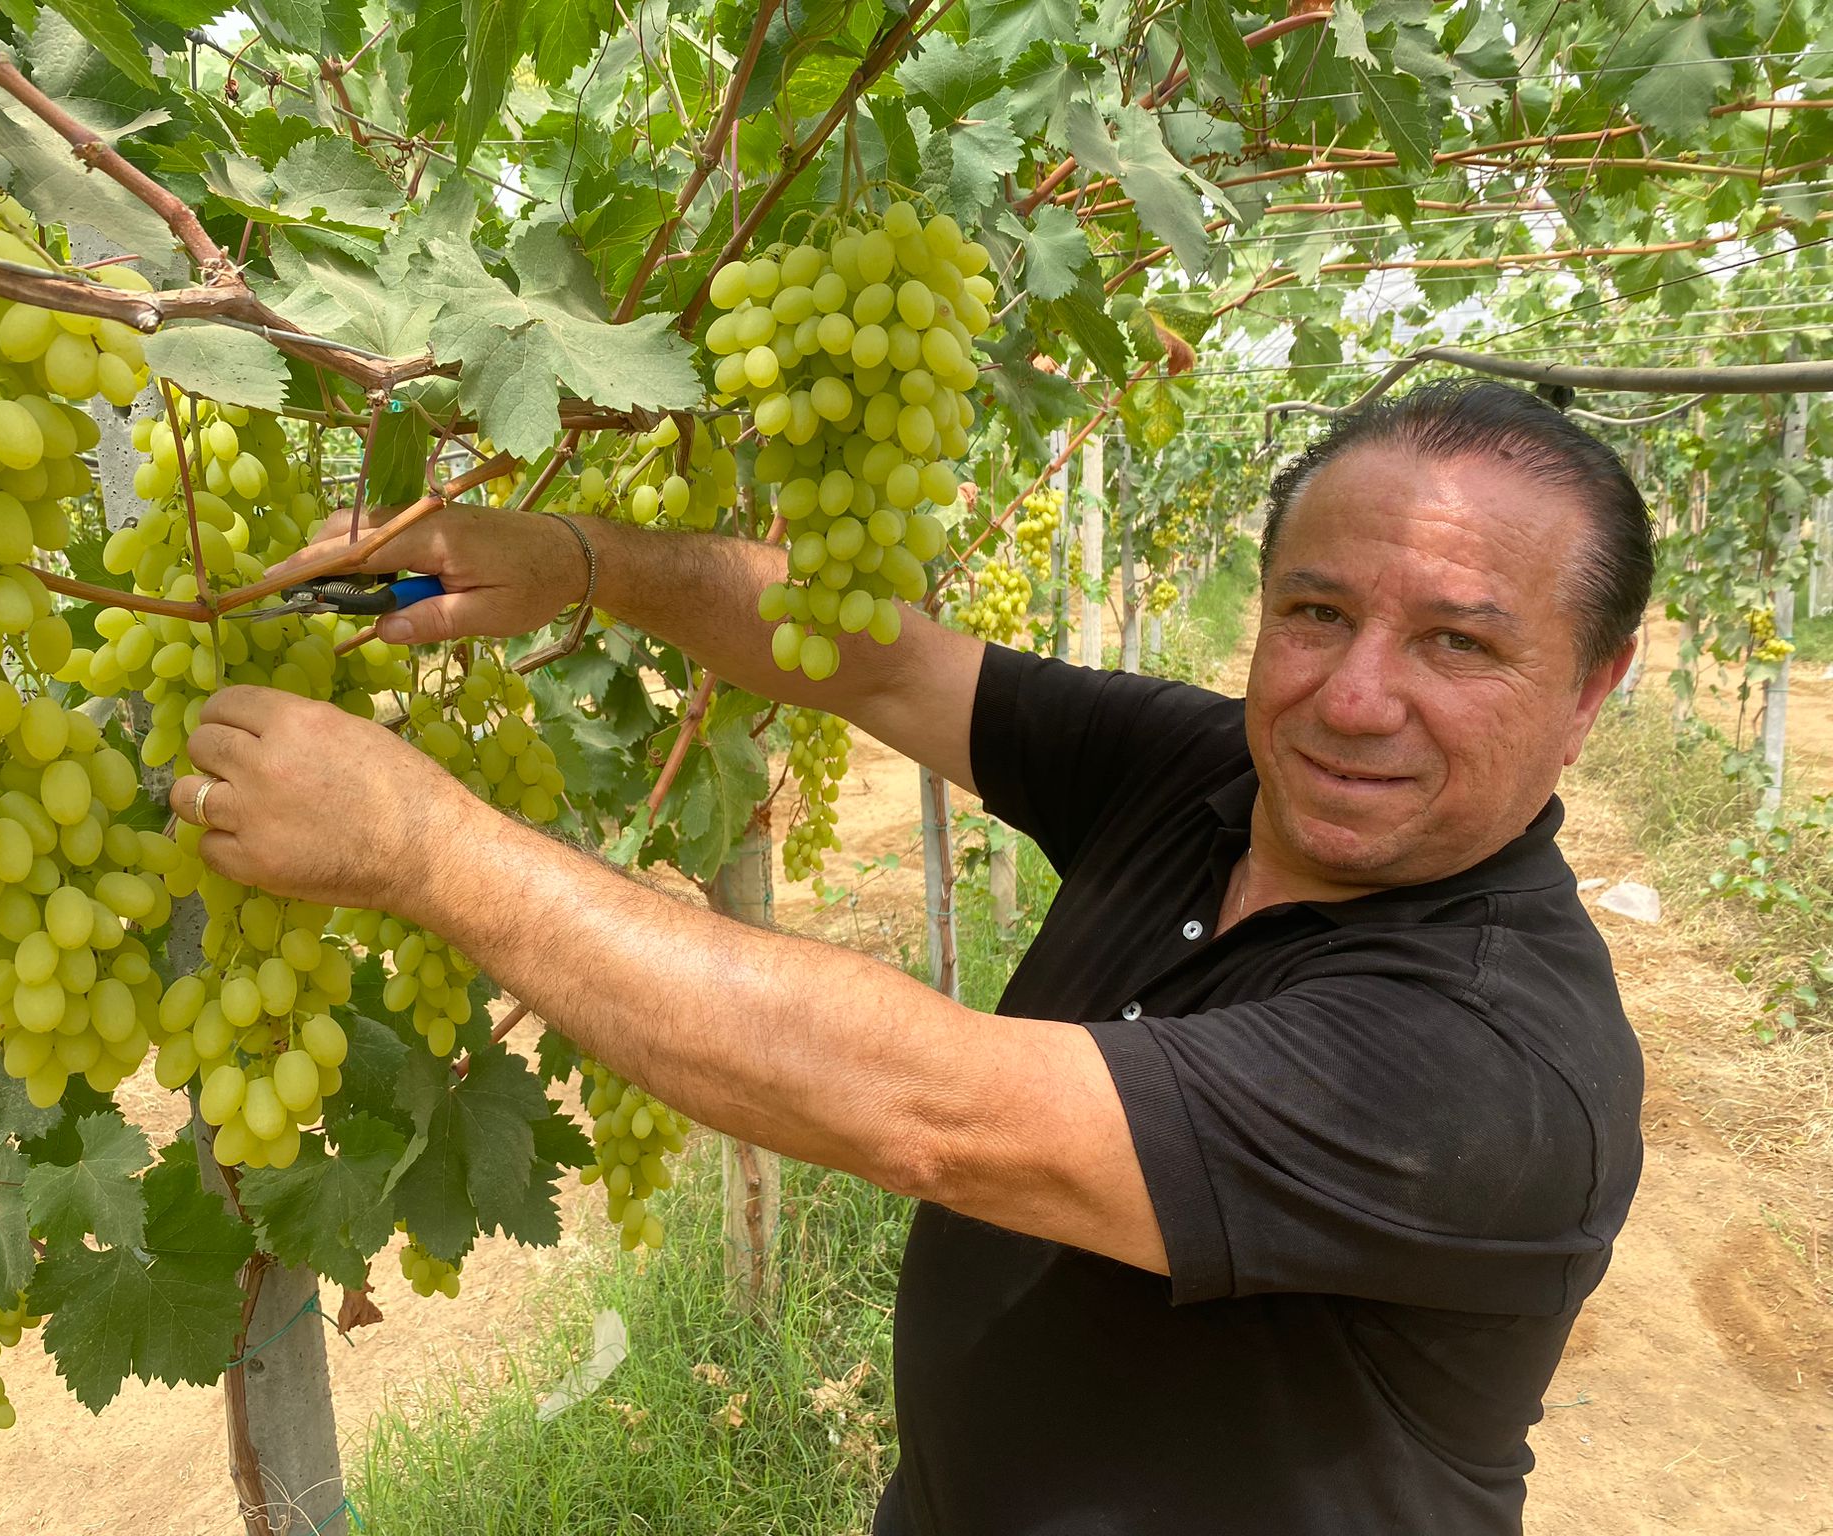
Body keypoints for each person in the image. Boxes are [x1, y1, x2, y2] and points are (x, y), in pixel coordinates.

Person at [170, 379, 1647, 1535]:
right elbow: (882, 658)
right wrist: (577, 559)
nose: (1358, 697)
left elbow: (931, 1114)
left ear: (1592, 689)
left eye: (1459, 645)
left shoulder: (1495, 1067)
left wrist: (429, 849)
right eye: (1316, 615)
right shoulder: (1217, 772)